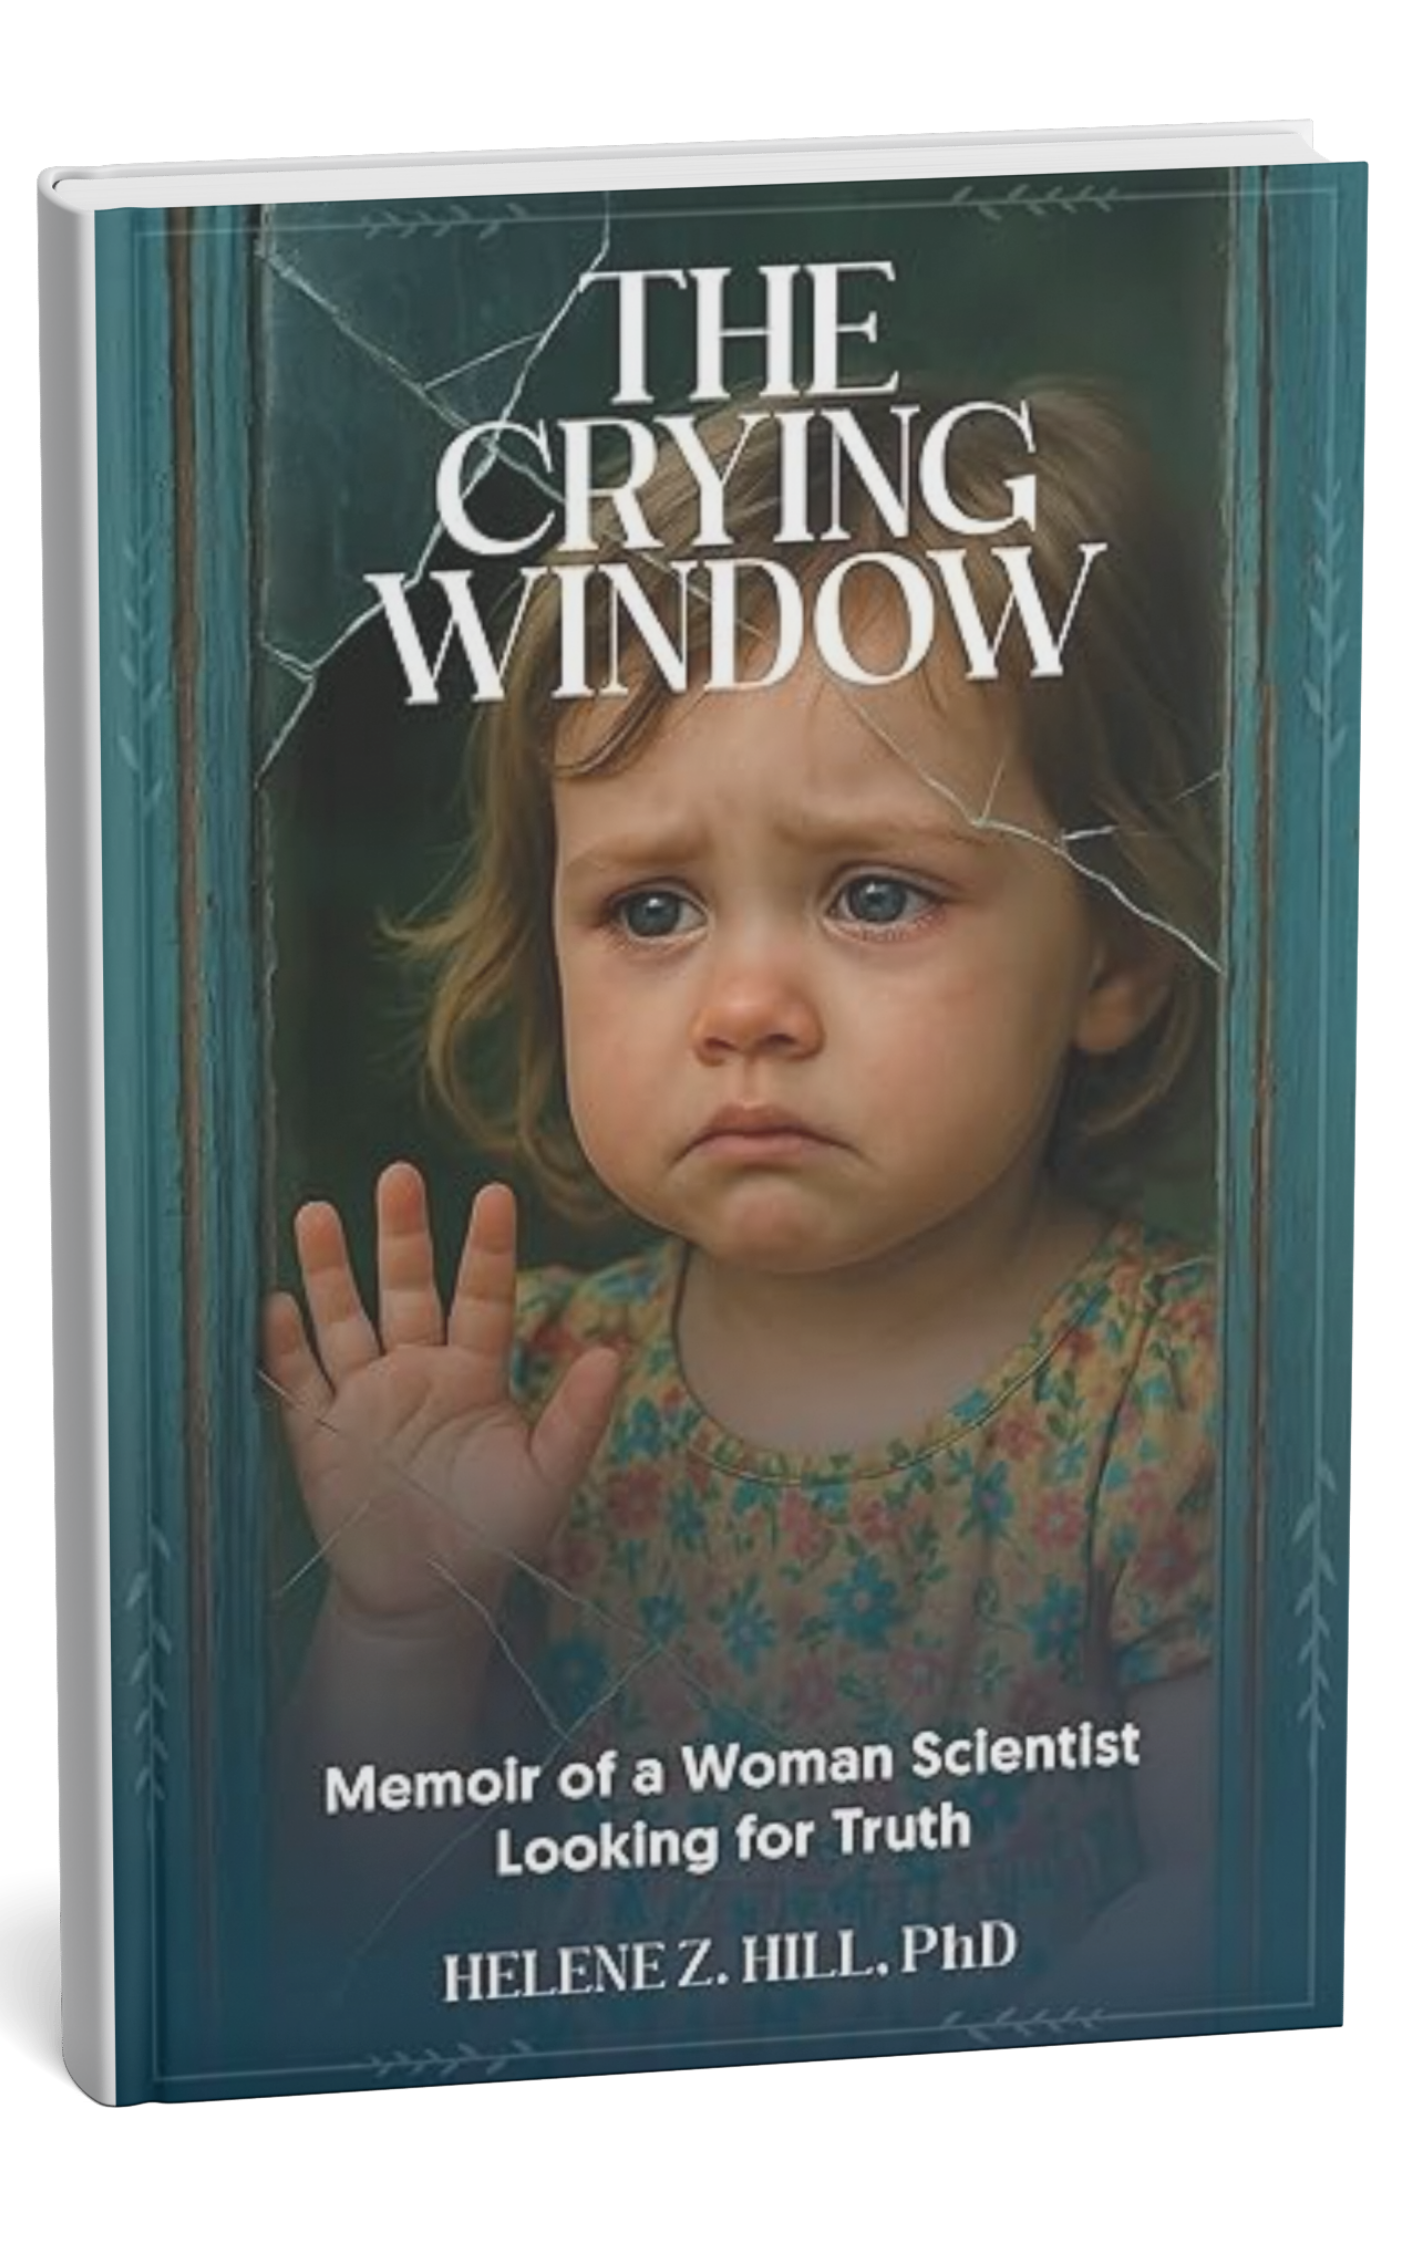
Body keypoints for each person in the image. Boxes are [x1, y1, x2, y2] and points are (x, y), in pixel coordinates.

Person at [265, 385, 1221, 2027]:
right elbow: (324, 1955)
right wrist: (402, 1624)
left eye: (872, 893)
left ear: (1116, 953)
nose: (745, 1005)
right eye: (650, 907)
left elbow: (1234, 1897)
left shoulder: (1175, 1392)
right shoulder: (528, 1400)